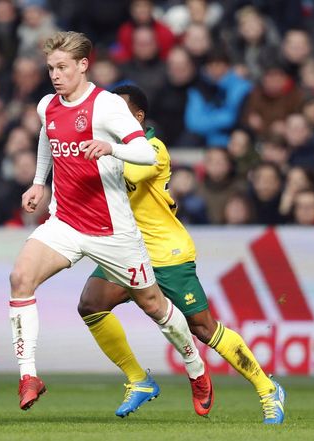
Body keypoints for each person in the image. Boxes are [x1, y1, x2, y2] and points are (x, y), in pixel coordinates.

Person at [77, 84, 286, 424]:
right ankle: (139, 380)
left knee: (204, 328)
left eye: (119, 110)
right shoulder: (106, 147)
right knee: (91, 304)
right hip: (127, 251)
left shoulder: (153, 148)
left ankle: (267, 389)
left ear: (138, 117)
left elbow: (127, 171)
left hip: (165, 252)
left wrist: (91, 153)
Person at [9, 31, 194, 414]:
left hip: (113, 231)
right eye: (50, 68)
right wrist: (39, 182)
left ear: (83, 65)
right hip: (65, 222)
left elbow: (146, 153)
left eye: (62, 67)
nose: (55, 75)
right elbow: (47, 136)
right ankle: (28, 377)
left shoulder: (107, 106)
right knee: (20, 278)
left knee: (155, 305)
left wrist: (111, 147)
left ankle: (195, 367)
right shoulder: (48, 106)